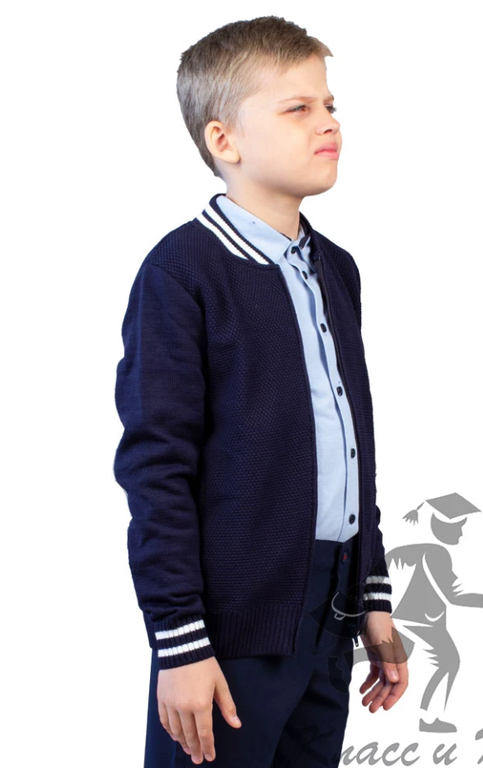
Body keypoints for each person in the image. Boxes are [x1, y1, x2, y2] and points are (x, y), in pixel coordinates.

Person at [113, 15, 408, 767]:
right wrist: (179, 644)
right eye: (297, 108)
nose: (328, 123)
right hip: (232, 627)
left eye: (329, 104)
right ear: (224, 140)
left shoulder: (335, 269)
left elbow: (351, 446)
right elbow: (156, 467)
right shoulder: (182, 273)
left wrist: (371, 597)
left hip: (330, 615)